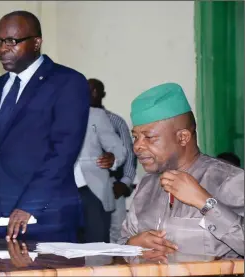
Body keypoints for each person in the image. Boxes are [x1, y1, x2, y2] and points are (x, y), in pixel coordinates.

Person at [0, 10, 90, 242]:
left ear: (37, 42)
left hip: (47, 215)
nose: (2, 49)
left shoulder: (67, 82)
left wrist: (30, 205)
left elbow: (63, 151)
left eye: (12, 41)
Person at [119, 83, 244, 258]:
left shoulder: (230, 180)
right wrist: (132, 246)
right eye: (136, 137)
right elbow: (123, 242)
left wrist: (205, 202)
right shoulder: (146, 185)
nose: (137, 146)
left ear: (183, 137)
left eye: (149, 137)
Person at [88, 78, 137, 243]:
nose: (91, 94)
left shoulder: (115, 121)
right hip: (87, 188)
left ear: (103, 94)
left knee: (118, 231)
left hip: (114, 185)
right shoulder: (76, 120)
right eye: (88, 90)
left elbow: (129, 153)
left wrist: (125, 182)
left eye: (95, 90)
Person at [74, 103, 126, 243]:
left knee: (96, 250)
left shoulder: (95, 115)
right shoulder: (46, 112)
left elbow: (117, 147)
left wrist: (113, 157)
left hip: (92, 191)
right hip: (57, 192)